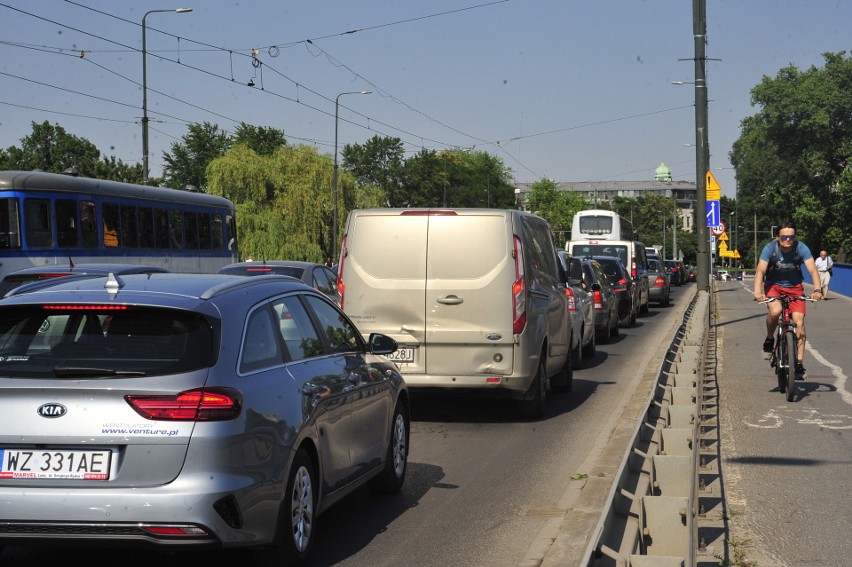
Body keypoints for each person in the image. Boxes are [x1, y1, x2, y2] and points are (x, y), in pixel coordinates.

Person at [753, 223, 823, 380]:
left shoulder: (801, 248)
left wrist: (817, 290)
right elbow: (760, 270)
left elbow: (813, 270)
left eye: (791, 237)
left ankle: (798, 364)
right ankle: (770, 339)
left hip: (795, 288)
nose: (788, 240)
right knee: (776, 311)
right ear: (778, 237)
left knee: (799, 324)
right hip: (774, 287)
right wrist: (758, 292)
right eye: (784, 237)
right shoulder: (770, 248)